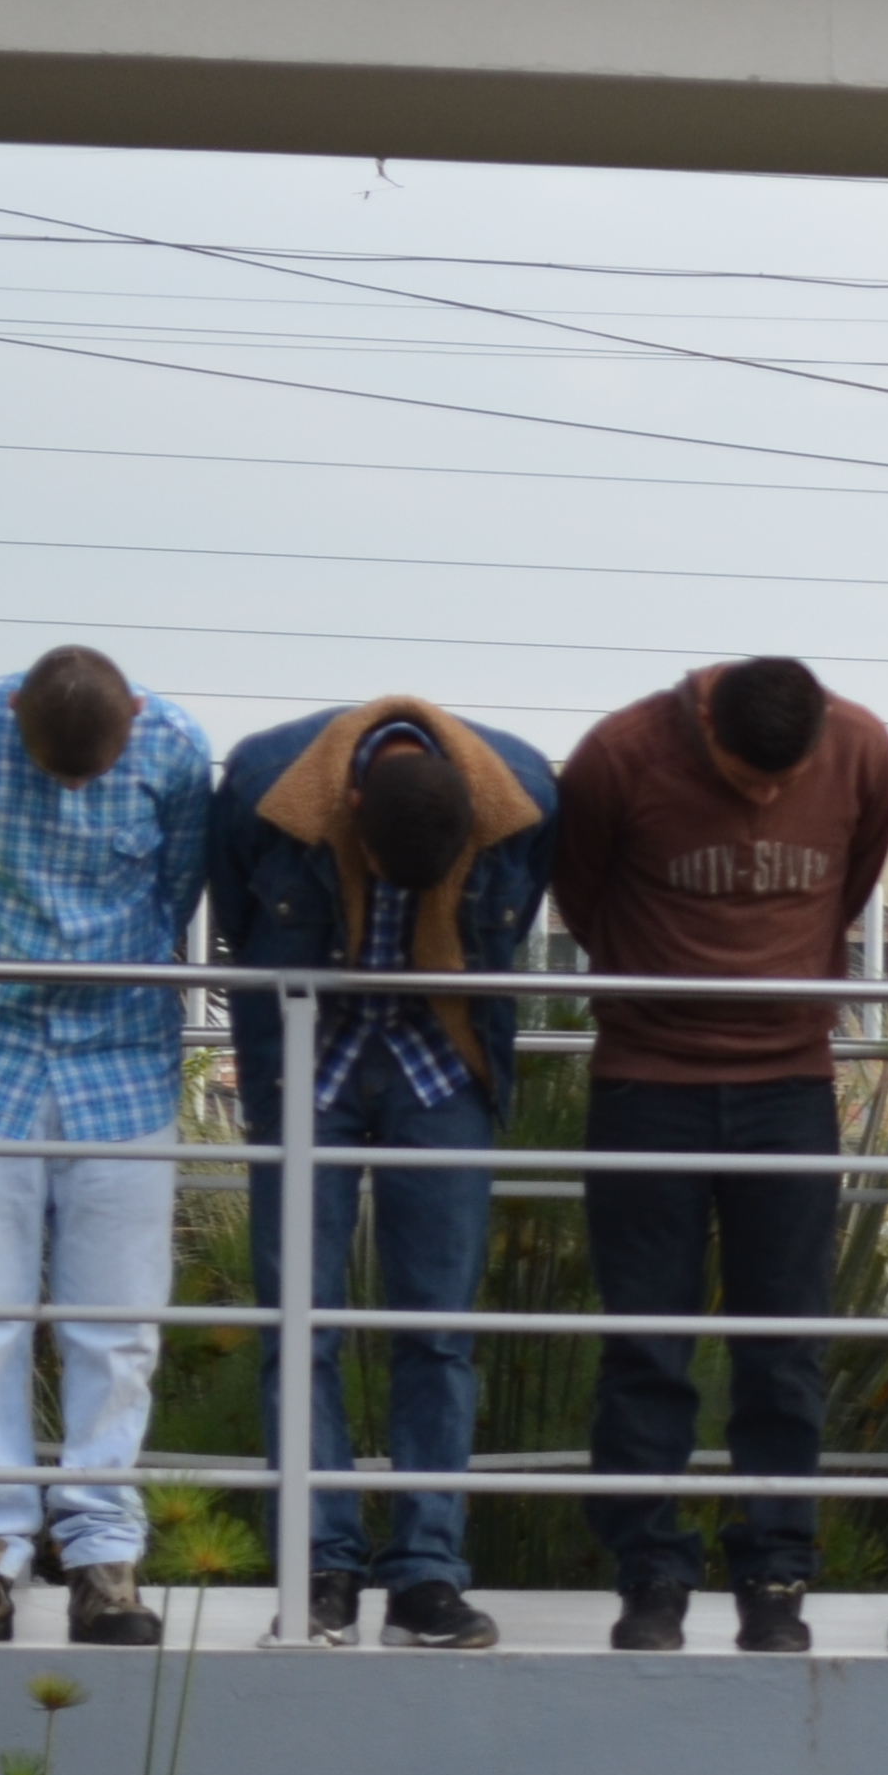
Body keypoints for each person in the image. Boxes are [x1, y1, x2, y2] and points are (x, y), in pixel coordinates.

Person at [545, 656, 888, 1653]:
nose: (770, 799)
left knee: (785, 1345)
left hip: (790, 1086)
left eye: (788, 781)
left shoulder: (865, 750)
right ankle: (649, 1572)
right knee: (645, 1343)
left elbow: (852, 880)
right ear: (708, 733)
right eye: (750, 781)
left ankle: (776, 1569)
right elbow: (582, 897)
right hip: (645, 1083)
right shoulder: (619, 757)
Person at [211, 696, 559, 1648]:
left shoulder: (520, 793)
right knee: (299, 1325)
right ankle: (319, 1568)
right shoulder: (265, 784)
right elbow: (242, 920)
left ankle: (427, 1578)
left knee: (438, 1331)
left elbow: (511, 918)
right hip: (306, 1054)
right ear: (351, 800)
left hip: (438, 1060)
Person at [0, 644, 211, 1652]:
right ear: (17, 711)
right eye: (53, 774)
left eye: (90, 777)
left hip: (123, 1066)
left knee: (116, 1330)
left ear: (132, 723)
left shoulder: (177, 746)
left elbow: (177, 895)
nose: (72, 792)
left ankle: (102, 1554)